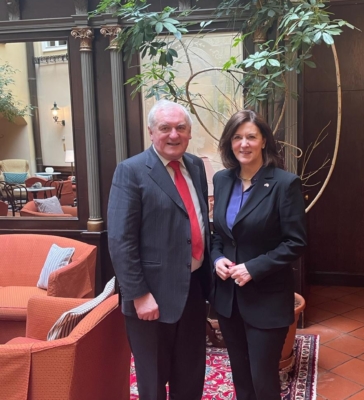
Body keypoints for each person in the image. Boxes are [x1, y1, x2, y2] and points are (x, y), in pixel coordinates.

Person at [107, 99, 211, 400]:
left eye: (181, 128)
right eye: (165, 128)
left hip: (192, 287)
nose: (173, 135)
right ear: (151, 132)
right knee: (153, 380)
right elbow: (120, 240)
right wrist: (138, 295)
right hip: (150, 296)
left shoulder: (195, 166)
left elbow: (199, 219)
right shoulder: (132, 171)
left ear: (189, 133)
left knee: (191, 373)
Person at [211, 110, 307, 400]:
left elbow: (296, 242)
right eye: (237, 137)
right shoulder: (222, 180)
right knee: (240, 374)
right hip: (229, 299)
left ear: (264, 141)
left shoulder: (284, 184)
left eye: (251, 136)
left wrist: (253, 267)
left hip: (267, 298)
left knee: (262, 378)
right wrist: (217, 259)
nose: (244, 143)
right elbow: (218, 234)